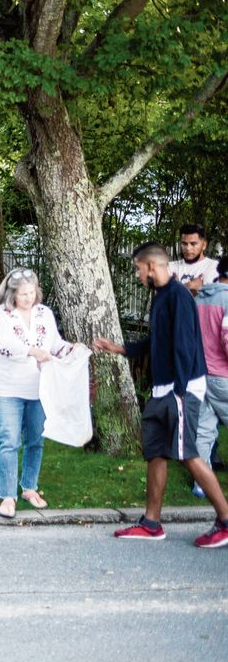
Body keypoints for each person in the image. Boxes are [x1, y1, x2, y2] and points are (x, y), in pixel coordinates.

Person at [93, 243, 228, 548]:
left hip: (180, 389)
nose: (139, 275)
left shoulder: (178, 297)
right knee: (156, 451)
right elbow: (158, 340)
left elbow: (184, 346)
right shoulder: (162, 297)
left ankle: (225, 520)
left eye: (139, 269)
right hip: (163, 389)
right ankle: (151, 523)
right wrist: (121, 349)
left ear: (152, 266)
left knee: (188, 454)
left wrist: (179, 392)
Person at [0, 268, 70, 518]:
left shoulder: (45, 314)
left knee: (36, 439)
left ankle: (29, 487)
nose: (28, 298)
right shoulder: (0, 314)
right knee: (10, 439)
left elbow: (54, 344)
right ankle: (7, 496)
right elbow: (3, 344)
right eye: (23, 294)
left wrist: (72, 350)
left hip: (39, 388)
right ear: (11, 294)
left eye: (32, 293)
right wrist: (32, 351)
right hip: (7, 387)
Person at [191, 255, 228, 496]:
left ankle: (200, 484)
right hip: (223, 376)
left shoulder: (199, 298)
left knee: (204, 430)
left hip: (200, 374)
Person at [172, 224, 219, 293]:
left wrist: (176, 288)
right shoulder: (171, 267)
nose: (188, 248)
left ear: (204, 245)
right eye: (184, 243)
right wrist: (190, 286)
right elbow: (164, 298)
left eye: (193, 244)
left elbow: (209, 299)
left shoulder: (214, 267)